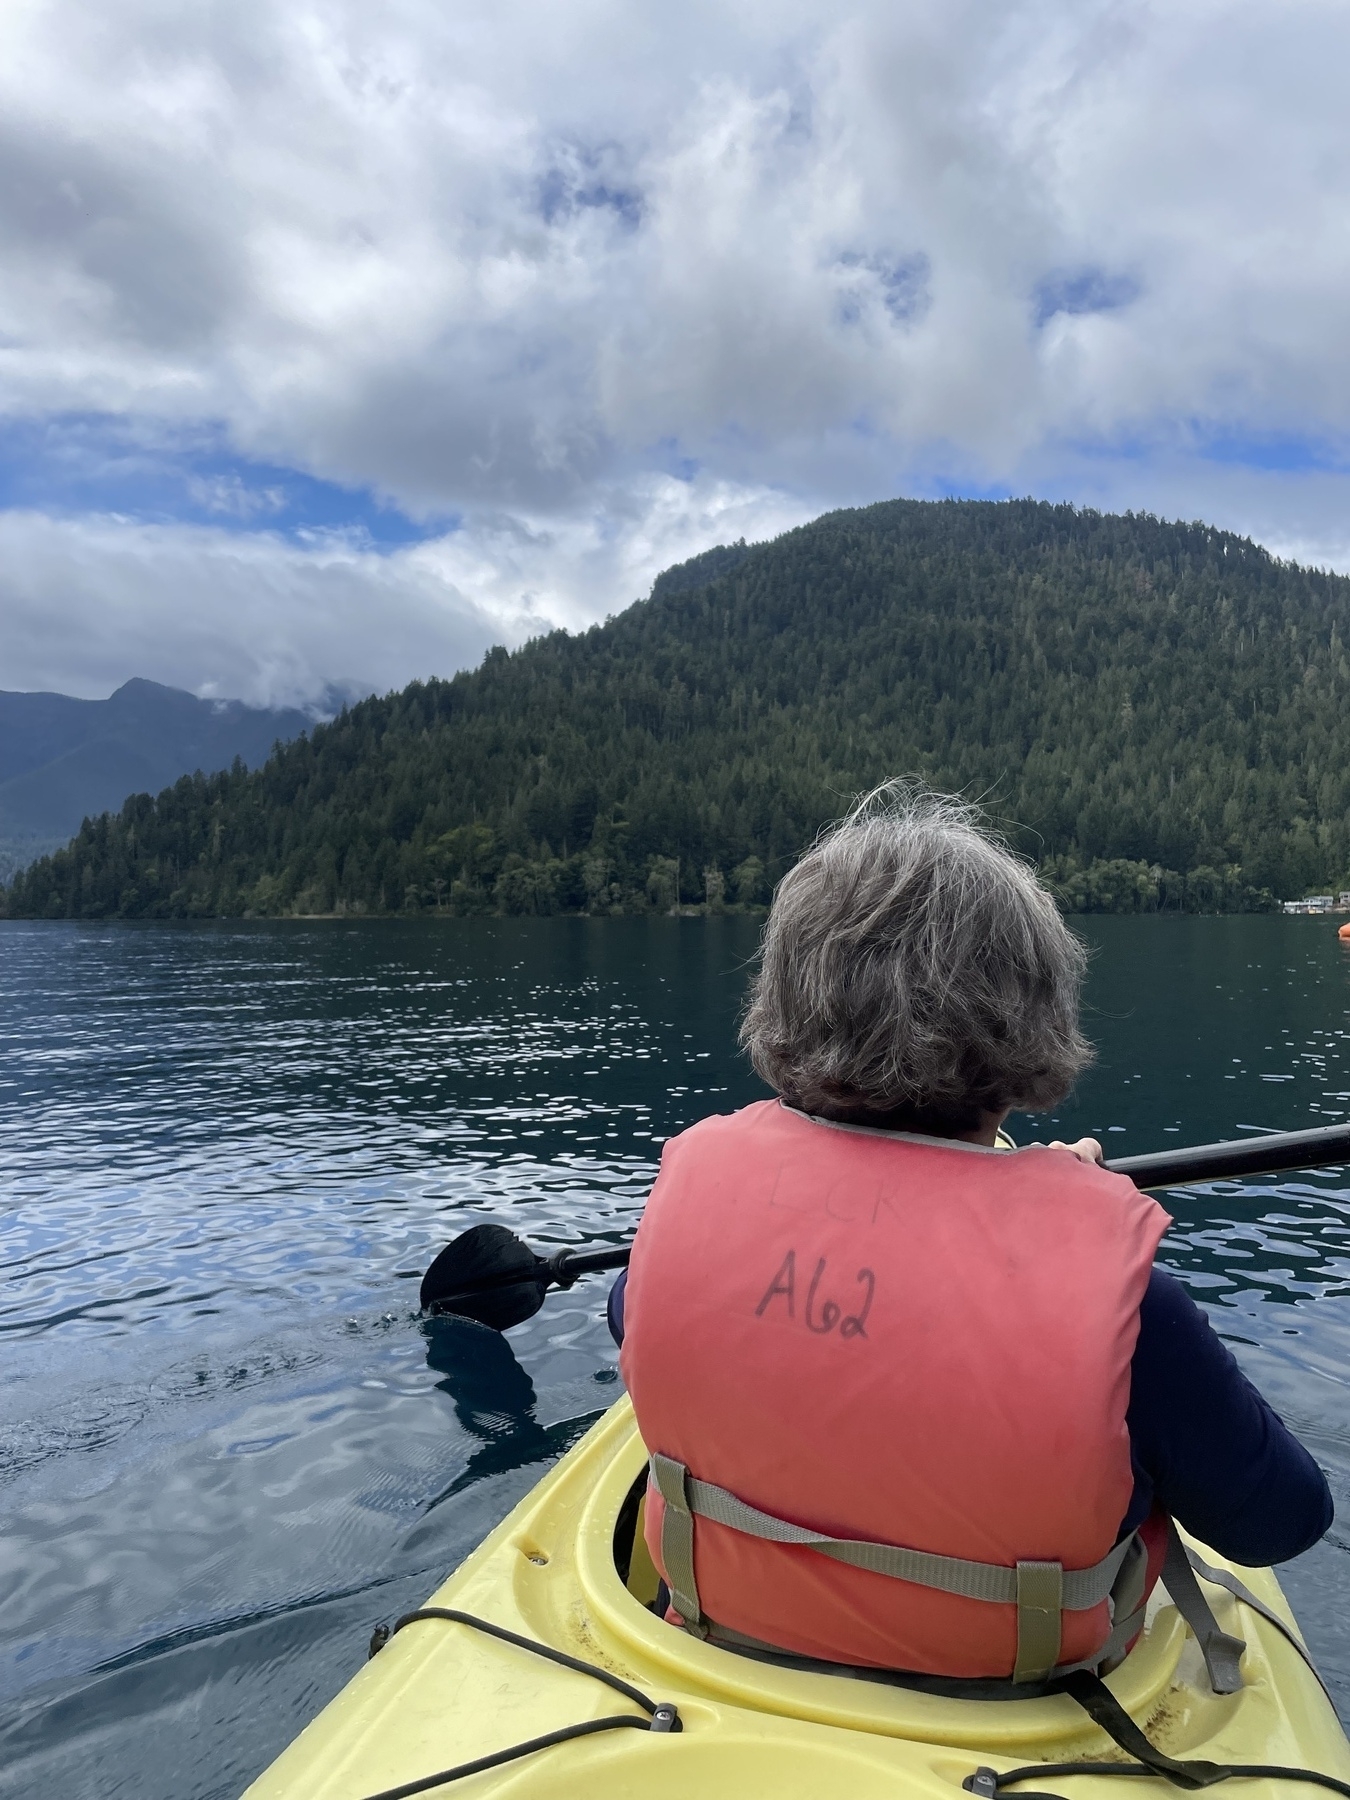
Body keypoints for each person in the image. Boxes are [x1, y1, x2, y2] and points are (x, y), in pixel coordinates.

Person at [609, 785, 1331, 1687]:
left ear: (786, 998)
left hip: (728, 1656)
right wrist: (1055, 1235)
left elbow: (642, 1321)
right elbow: (1282, 1522)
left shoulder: (679, 1223)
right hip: (1015, 1701)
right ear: (1028, 1016)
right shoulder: (1134, 1311)